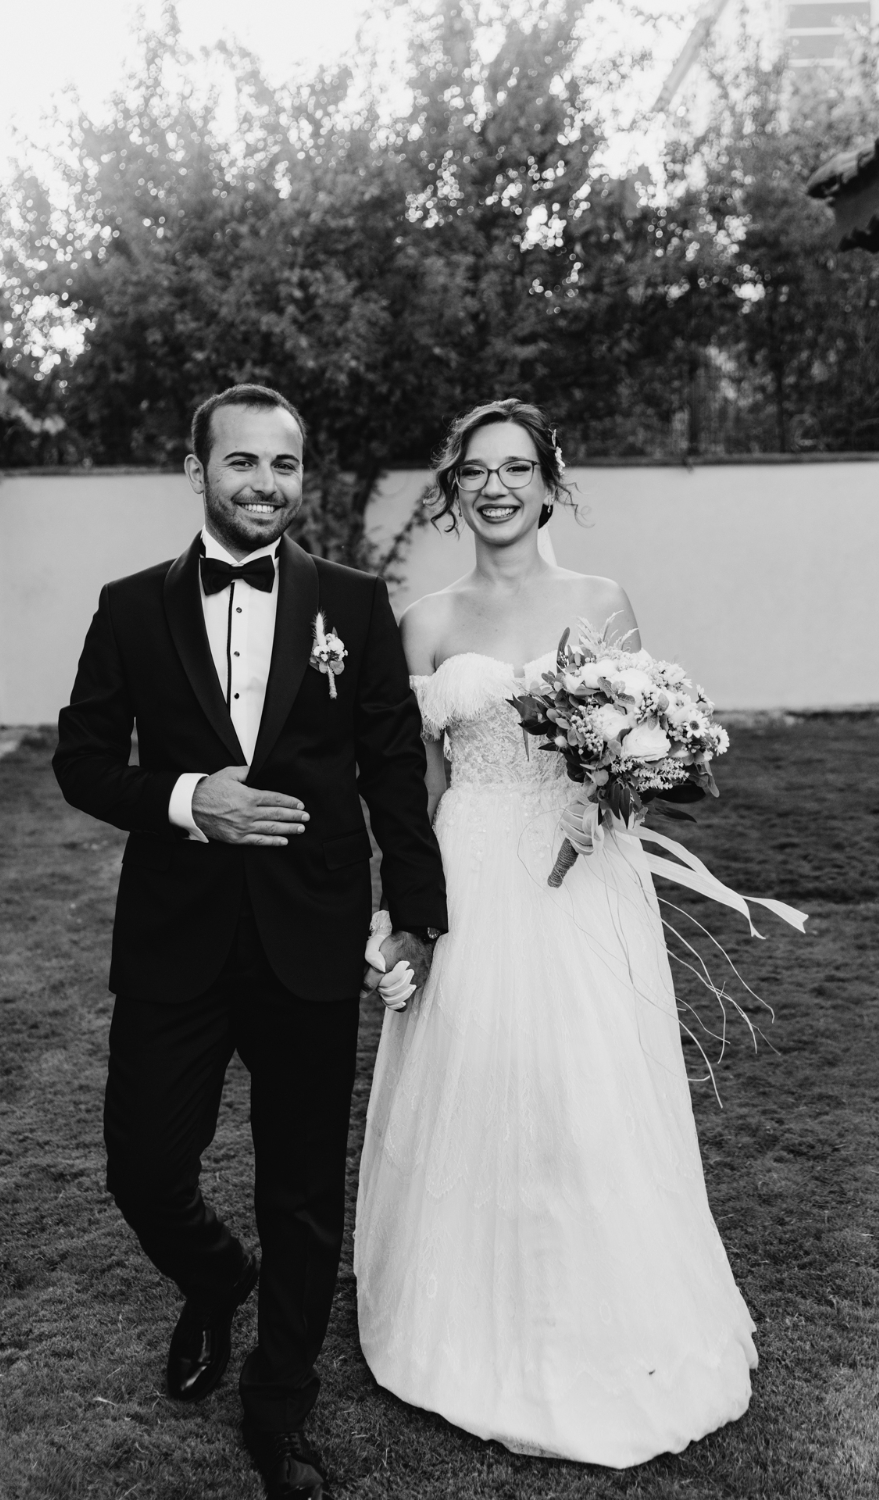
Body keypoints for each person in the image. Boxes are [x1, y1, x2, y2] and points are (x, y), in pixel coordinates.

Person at [53, 384, 447, 1500]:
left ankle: (279, 1410)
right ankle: (218, 1279)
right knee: (143, 1167)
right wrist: (190, 799)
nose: (266, 484)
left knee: (302, 1190)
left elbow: (390, 768)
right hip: (174, 935)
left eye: (285, 464)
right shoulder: (130, 607)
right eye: (242, 462)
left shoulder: (353, 603)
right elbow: (82, 761)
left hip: (309, 932)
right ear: (197, 472)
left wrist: (417, 913)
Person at [354, 399, 757, 1468]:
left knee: (585, 1086)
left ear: (549, 483)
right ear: (453, 490)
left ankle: (606, 1321)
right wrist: (403, 911)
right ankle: (467, 1318)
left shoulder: (600, 601)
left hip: (583, 877)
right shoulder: (424, 623)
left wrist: (618, 794)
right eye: (475, 471)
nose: (495, 487)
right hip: (472, 870)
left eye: (516, 468)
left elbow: (644, 753)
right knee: (478, 1078)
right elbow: (418, 788)